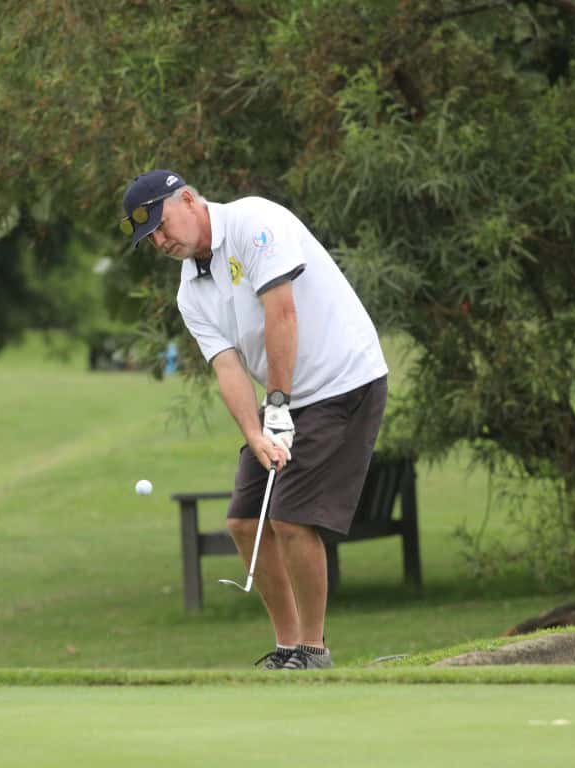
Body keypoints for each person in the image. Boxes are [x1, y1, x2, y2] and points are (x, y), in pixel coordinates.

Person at [119, 169, 388, 670]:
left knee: (290, 518)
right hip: (288, 397)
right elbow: (228, 367)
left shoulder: (254, 223)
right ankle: (288, 649)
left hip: (343, 381)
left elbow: (281, 314)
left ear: (188, 199)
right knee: (244, 522)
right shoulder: (190, 292)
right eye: (149, 237)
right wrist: (254, 432)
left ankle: (313, 650)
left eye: (161, 225)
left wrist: (278, 404)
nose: (160, 241)